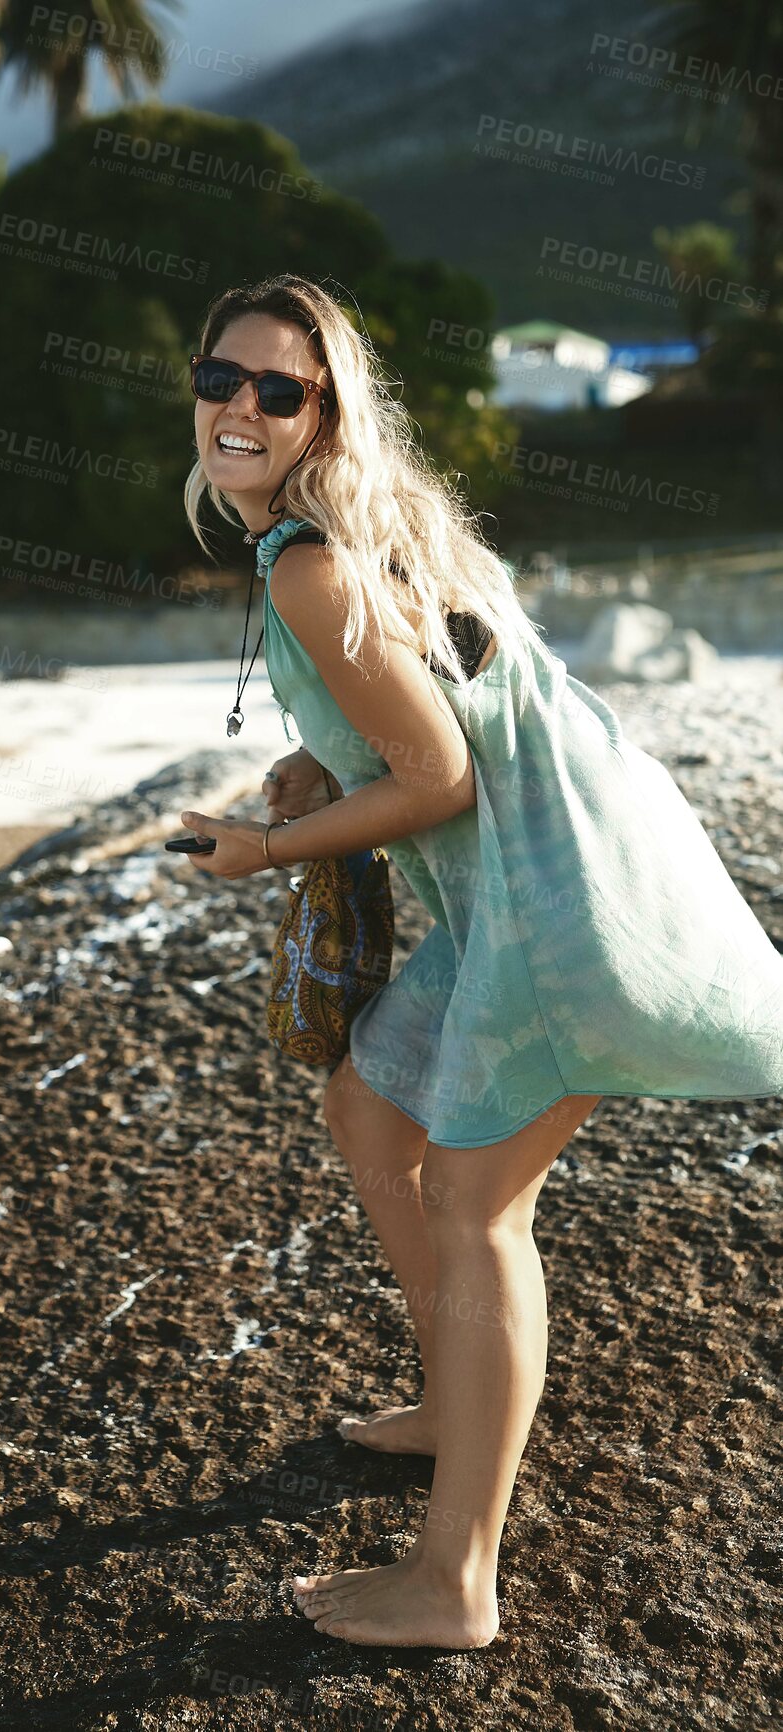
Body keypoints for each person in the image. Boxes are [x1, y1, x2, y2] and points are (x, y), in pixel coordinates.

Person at [174, 272, 783, 1650]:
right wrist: (319, 758)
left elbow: (440, 776)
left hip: (560, 904)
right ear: (197, 386)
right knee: (368, 1102)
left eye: (282, 390)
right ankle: (462, 1396)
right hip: (524, 885)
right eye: (225, 379)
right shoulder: (343, 536)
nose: (243, 409)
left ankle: (454, 1583)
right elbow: (432, 710)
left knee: (473, 1201)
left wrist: (269, 851)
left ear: (327, 415)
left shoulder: (319, 560)